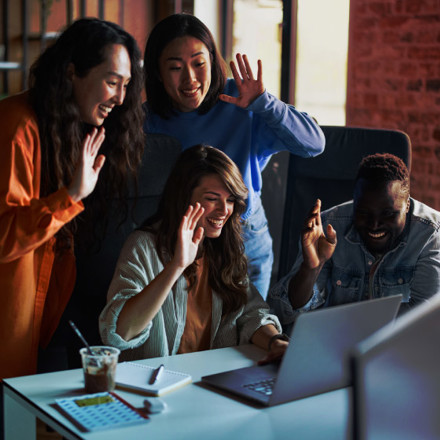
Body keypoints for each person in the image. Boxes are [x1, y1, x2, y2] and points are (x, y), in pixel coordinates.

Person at [143, 13, 325, 300]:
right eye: (176, 67)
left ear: (212, 61)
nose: (190, 78)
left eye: (199, 63)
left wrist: (265, 104)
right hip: (182, 246)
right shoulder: (147, 121)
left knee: (251, 336)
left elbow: (314, 144)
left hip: (244, 238)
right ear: (157, 72)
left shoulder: (241, 99)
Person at [0, 18, 144, 379]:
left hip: (39, 320)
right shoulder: (17, 126)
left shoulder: (65, 128)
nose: (121, 98)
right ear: (71, 73)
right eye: (112, 82)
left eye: (126, 85)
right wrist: (72, 195)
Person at [100, 145, 288, 363]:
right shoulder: (143, 245)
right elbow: (120, 333)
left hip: (211, 379)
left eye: (229, 200)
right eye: (212, 198)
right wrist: (176, 267)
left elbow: (251, 314)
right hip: (155, 385)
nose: (224, 210)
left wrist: (276, 343)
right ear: (184, 198)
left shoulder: (223, 248)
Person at [268, 153, 440, 334]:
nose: (374, 225)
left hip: (398, 344)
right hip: (335, 343)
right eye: (364, 213)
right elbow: (286, 313)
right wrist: (311, 268)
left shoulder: (431, 233)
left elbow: (427, 317)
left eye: (388, 214)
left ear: (406, 205)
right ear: (354, 202)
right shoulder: (328, 227)